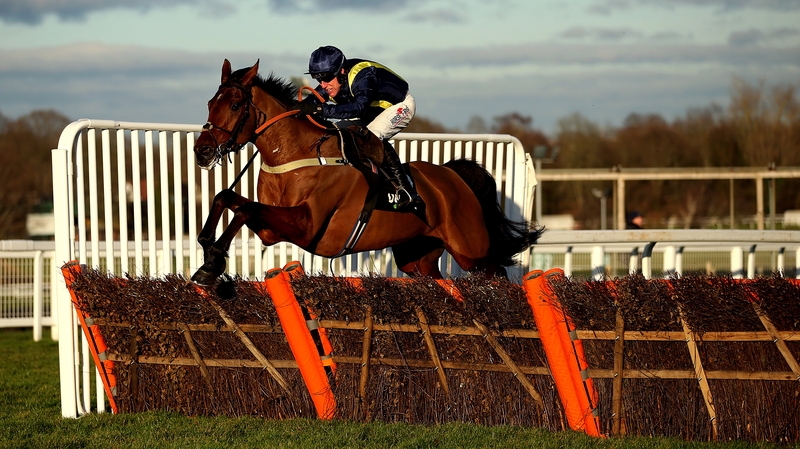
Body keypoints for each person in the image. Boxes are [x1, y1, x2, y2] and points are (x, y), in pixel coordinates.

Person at [296, 45, 423, 212]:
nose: (323, 84)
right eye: (318, 79)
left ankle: (407, 190)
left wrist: (321, 110)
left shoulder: (364, 76)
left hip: (399, 105)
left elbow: (358, 108)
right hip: (374, 111)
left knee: (372, 135)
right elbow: (311, 102)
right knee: (345, 134)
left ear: (341, 71)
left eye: (326, 77)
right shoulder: (331, 82)